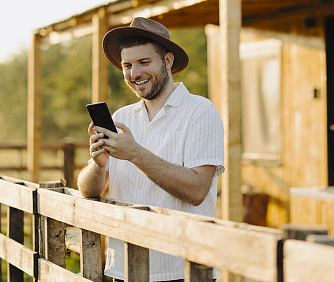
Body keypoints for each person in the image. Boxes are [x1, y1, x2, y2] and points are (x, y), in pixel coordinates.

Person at [77, 17, 225, 282]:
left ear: (167, 61)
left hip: (182, 271)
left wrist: (134, 153)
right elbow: (88, 191)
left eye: (144, 63)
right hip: (122, 268)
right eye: (127, 65)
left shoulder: (201, 112)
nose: (134, 73)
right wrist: (97, 164)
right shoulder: (123, 117)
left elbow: (197, 190)